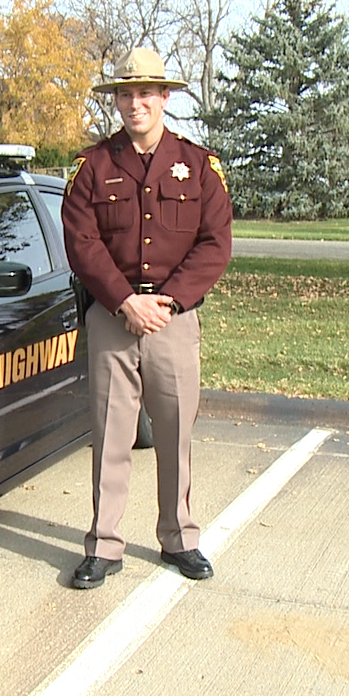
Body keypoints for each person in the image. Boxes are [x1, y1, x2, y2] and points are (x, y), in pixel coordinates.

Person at [62, 47, 233, 589]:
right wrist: (122, 300)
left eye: (145, 93)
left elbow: (215, 244)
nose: (135, 103)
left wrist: (170, 300)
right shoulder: (93, 167)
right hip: (114, 317)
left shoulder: (200, 166)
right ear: (116, 100)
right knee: (111, 434)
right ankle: (104, 545)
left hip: (173, 319)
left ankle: (179, 537)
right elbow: (82, 243)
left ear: (165, 98)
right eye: (125, 94)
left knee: (176, 431)